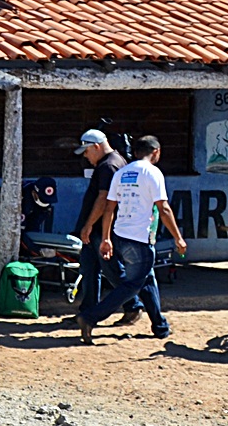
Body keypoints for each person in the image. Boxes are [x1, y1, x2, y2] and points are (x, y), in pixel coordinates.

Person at [80, 135, 186, 343]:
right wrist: (178, 238)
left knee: (147, 278)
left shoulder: (122, 173)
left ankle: (160, 326)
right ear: (156, 152)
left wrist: (107, 238)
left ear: (136, 152)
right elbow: (163, 208)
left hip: (120, 235)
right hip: (140, 238)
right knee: (133, 284)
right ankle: (90, 317)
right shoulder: (152, 172)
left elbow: (109, 208)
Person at [65, 130, 140, 327]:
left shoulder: (108, 166)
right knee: (90, 269)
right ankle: (88, 312)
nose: (86, 156)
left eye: (87, 151)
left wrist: (88, 225)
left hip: (102, 228)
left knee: (112, 269)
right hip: (99, 228)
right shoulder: (114, 161)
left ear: (97, 146)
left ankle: (133, 306)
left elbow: (104, 199)